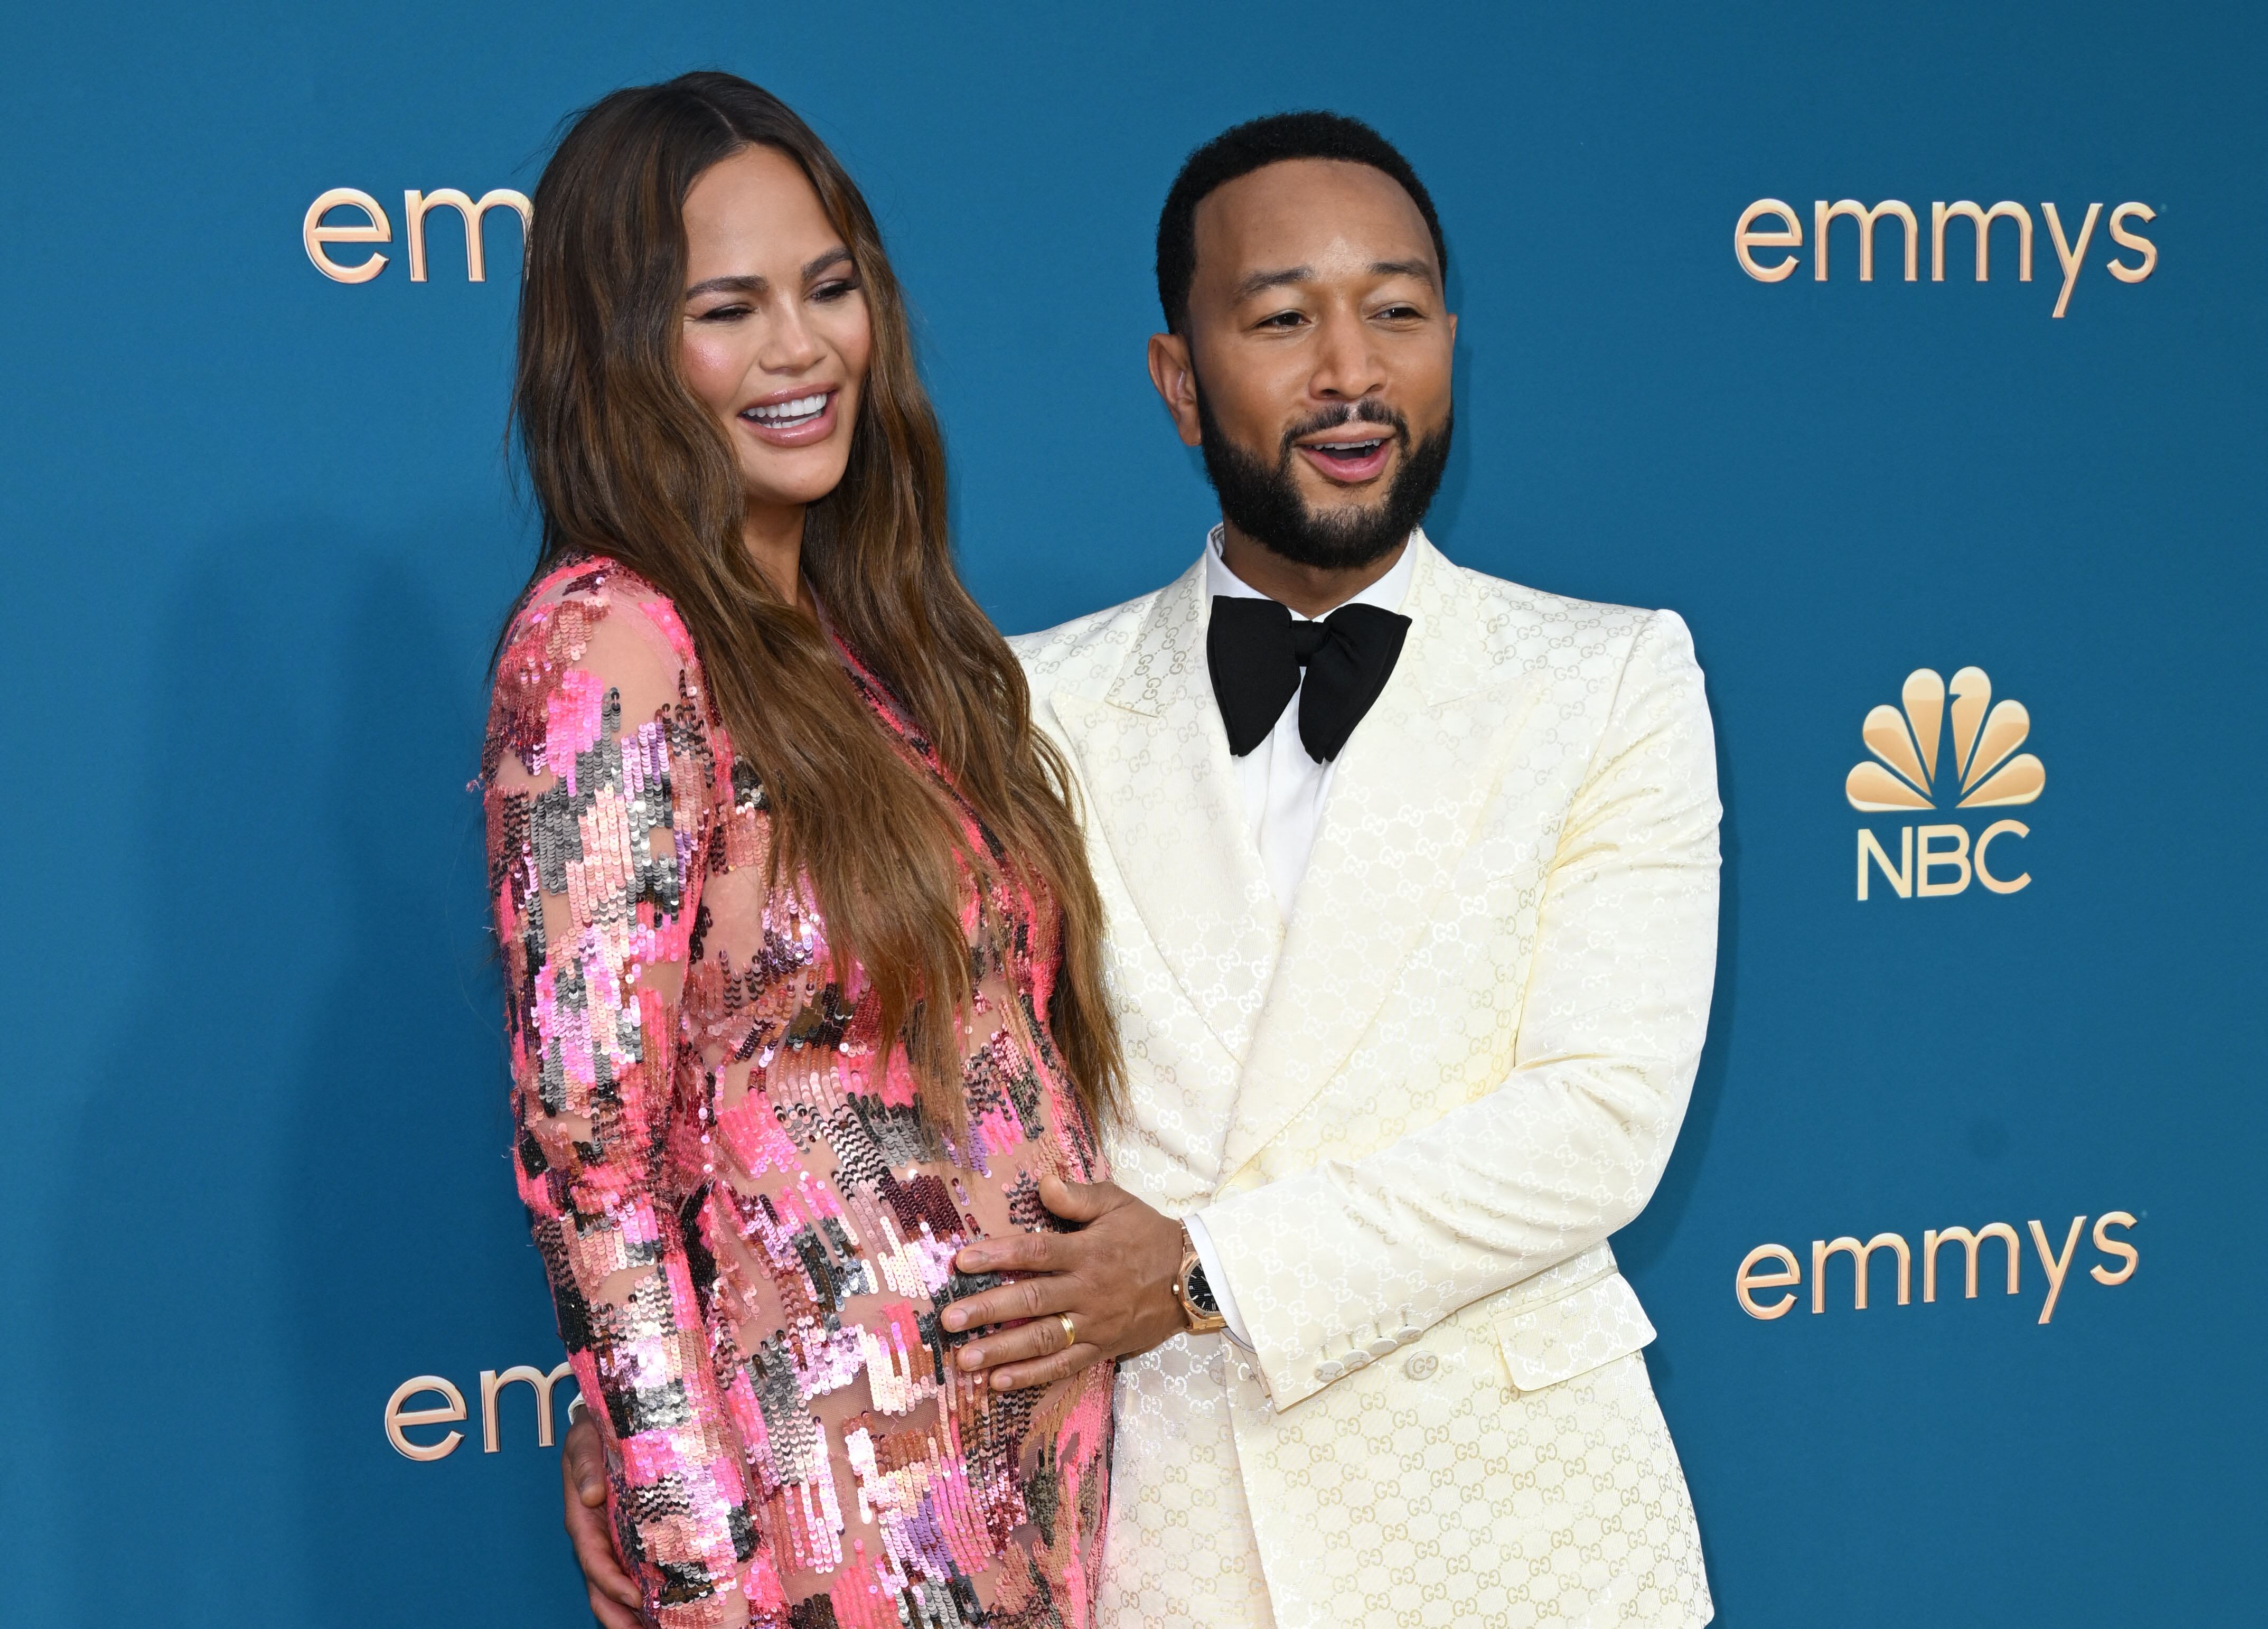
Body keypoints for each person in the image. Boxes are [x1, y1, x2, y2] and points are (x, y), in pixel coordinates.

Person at [566, 109, 1720, 1629]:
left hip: (1517, 1534)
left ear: (1452, 338)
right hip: (1173, 1537)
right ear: (1179, 380)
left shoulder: (1615, 677)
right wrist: (651, 1389)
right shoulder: (1005, 701)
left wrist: (1206, 1272)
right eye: (1283, 318)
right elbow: (834, 1082)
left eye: (1394, 309)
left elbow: (1600, 1121)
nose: (1350, 372)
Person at [489, 72, 1136, 1629]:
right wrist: (702, 1571)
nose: (801, 348)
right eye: (730, 308)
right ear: (625, 351)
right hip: (824, 1528)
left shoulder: (883, 641)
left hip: (1029, 1502)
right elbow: (596, 1166)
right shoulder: (614, 643)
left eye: (828, 288)